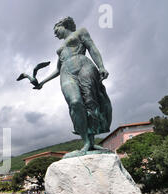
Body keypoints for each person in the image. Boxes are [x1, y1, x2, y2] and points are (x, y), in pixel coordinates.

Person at [35, 17, 112, 152]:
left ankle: (92, 142)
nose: (55, 33)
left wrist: (101, 66)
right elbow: (58, 69)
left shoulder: (80, 32)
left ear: (64, 25)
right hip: (66, 70)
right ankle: (86, 141)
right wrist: (42, 82)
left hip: (84, 65)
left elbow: (92, 47)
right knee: (75, 102)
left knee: (90, 102)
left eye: (56, 29)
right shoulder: (61, 49)